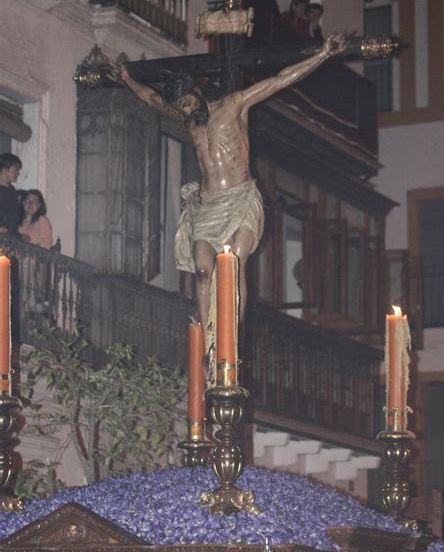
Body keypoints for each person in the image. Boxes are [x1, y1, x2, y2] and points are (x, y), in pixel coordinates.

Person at [113, 33, 347, 357]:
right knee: (203, 271)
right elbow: (151, 99)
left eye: (188, 103)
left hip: (240, 198)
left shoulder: (233, 105)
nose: (185, 111)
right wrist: (126, 77)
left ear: (196, 92)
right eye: (180, 107)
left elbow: (279, 81)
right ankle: (210, 345)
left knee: (233, 265)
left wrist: (322, 54)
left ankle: (229, 341)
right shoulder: (188, 119)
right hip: (208, 205)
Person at [0, 153, 22, 237]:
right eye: (15, 170)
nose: (18, 173)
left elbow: (12, 220)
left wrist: (19, 236)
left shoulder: (12, 191)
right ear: (5, 169)